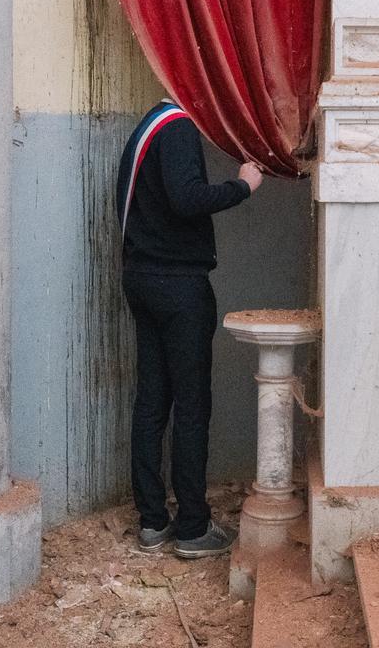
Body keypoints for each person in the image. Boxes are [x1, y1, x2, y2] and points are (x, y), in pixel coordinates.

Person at [115, 98, 263, 558]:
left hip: (143, 278)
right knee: (192, 405)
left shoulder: (146, 128)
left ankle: (152, 521)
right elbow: (186, 198)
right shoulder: (177, 128)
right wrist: (243, 186)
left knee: (152, 401)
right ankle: (194, 528)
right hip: (179, 286)